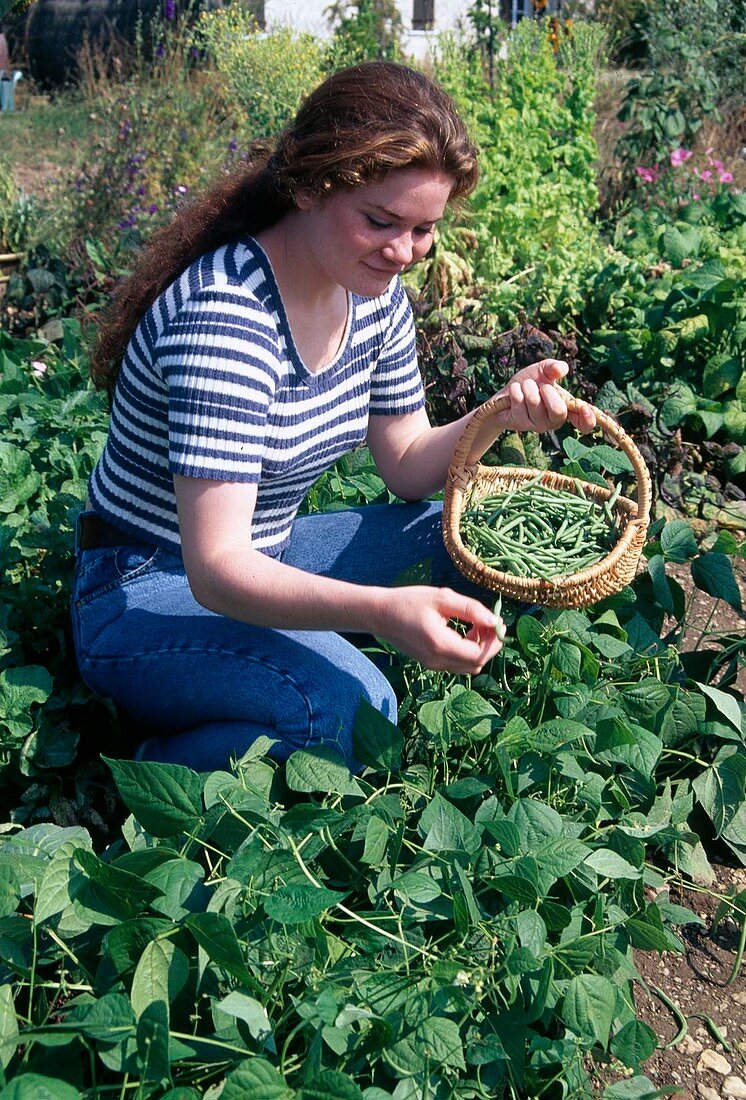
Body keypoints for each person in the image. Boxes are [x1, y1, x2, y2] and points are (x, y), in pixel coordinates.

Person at [71, 61, 595, 772]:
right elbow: (217, 571)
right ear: (311, 186)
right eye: (380, 221)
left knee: (484, 547)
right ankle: (148, 763)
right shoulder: (227, 320)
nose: (403, 251)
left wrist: (502, 411)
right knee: (354, 714)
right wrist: (378, 611)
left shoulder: (373, 297)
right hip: (147, 594)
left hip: (270, 553)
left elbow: (407, 463)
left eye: (423, 229)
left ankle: (289, 677)